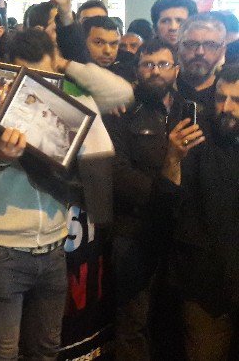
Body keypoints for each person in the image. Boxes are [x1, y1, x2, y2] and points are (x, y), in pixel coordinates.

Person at [0, 28, 132, 361]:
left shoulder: (69, 101)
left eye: (46, 75)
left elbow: (122, 93)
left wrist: (67, 65)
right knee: (2, 352)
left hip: (53, 249)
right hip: (2, 253)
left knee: (46, 349)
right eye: (28, 76)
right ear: (10, 69)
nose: (39, 85)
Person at [103, 38, 192, 360]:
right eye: (147, 64)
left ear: (176, 69)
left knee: (173, 316)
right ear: (137, 69)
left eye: (163, 64)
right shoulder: (122, 110)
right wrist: (162, 196)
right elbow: (116, 169)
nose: (155, 71)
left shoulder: (190, 108)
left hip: (182, 232)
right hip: (133, 231)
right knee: (132, 319)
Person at [167, 64, 239, 361]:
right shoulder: (197, 136)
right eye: (221, 98)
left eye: (236, 100)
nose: (226, 107)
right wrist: (172, 158)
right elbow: (173, 200)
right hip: (207, 283)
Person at [176, 13, 227, 113]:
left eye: (210, 45)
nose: (200, 52)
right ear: (178, 47)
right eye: (192, 44)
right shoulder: (164, 88)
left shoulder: (231, 92)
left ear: (222, 50)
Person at [83, 16, 136, 81]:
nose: (107, 51)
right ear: (83, 42)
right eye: (99, 43)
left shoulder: (130, 69)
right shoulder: (69, 69)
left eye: (114, 44)